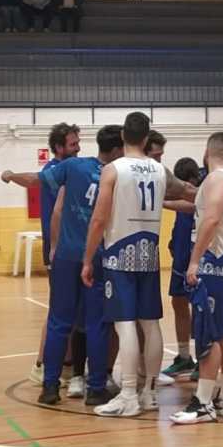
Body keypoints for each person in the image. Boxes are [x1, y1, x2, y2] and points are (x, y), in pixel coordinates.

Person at [82, 111, 193, 418]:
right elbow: (187, 190)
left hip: (120, 252)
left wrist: (88, 258)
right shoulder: (159, 170)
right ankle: (150, 393)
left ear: (123, 137)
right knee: (150, 323)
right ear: (146, 138)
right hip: (149, 253)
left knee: (125, 323)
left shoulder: (113, 169)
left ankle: (129, 393)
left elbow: (99, 218)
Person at [38, 126, 124, 408]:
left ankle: (50, 387)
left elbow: (43, 189)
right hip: (97, 256)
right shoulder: (119, 173)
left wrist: (11, 176)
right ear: (117, 150)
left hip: (66, 256)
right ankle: (96, 388)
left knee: (59, 322)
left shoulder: (73, 167)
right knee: (97, 324)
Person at [171, 132, 223, 425]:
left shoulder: (216, 179)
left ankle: (203, 402)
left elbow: (212, 218)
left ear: (207, 152)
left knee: (210, 333)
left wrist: (194, 260)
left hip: (216, 263)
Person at [1, 123, 81, 387]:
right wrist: (11, 175)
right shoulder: (53, 170)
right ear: (58, 147)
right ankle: (41, 364)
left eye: (78, 142)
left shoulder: (73, 169)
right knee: (60, 309)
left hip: (74, 249)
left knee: (74, 310)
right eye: (73, 144)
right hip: (57, 250)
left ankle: (68, 365)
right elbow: (31, 179)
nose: (78, 148)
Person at [162, 157, 200, 378]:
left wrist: (162, 203)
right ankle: (184, 356)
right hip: (181, 254)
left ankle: (203, 358)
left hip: (197, 257)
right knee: (178, 302)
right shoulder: (176, 193)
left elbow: (192, 206)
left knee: (200, 308)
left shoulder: (203, 191)